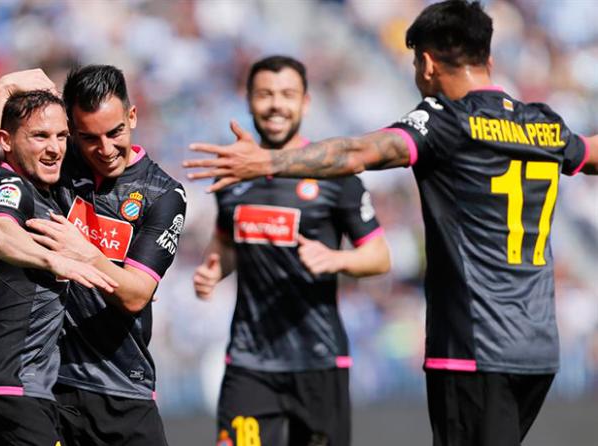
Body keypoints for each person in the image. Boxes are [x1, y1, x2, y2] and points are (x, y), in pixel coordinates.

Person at [184, 2, 598, 445]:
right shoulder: (544, 124)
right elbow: (589, 153)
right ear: (488, 60)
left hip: (473, 348)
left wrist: (269, 160)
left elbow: (358, 153)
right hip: (537, 349)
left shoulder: (444, 119)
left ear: (427, 63)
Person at [0, 65, 187, 446]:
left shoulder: (163, 193)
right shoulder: (59, 162)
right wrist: (2, 90)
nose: (105, 149)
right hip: (53, 385)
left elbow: (135, 294)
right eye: (88, 137)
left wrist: (86, 253)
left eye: (115, 132)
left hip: (123, 389)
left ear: (132, 116)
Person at [192, 55, 390, 446]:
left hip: (318, 359)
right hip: (250, 361)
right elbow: (227, 243)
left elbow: (380, 256)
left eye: (287, 94)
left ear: (306, 102)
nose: (276, 105)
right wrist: (215, 269)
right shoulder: (231, 173)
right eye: (265, 94)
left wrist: (336, 259)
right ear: (248, 100)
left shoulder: (335, 174)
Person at [0, 90, 117, 446]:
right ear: (5, 141)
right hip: (3, 385)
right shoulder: (10, 186)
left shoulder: (45, 194)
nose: (54, 147)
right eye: (40, 136)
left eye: (61, 136)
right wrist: (53, 259)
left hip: (12, 389)